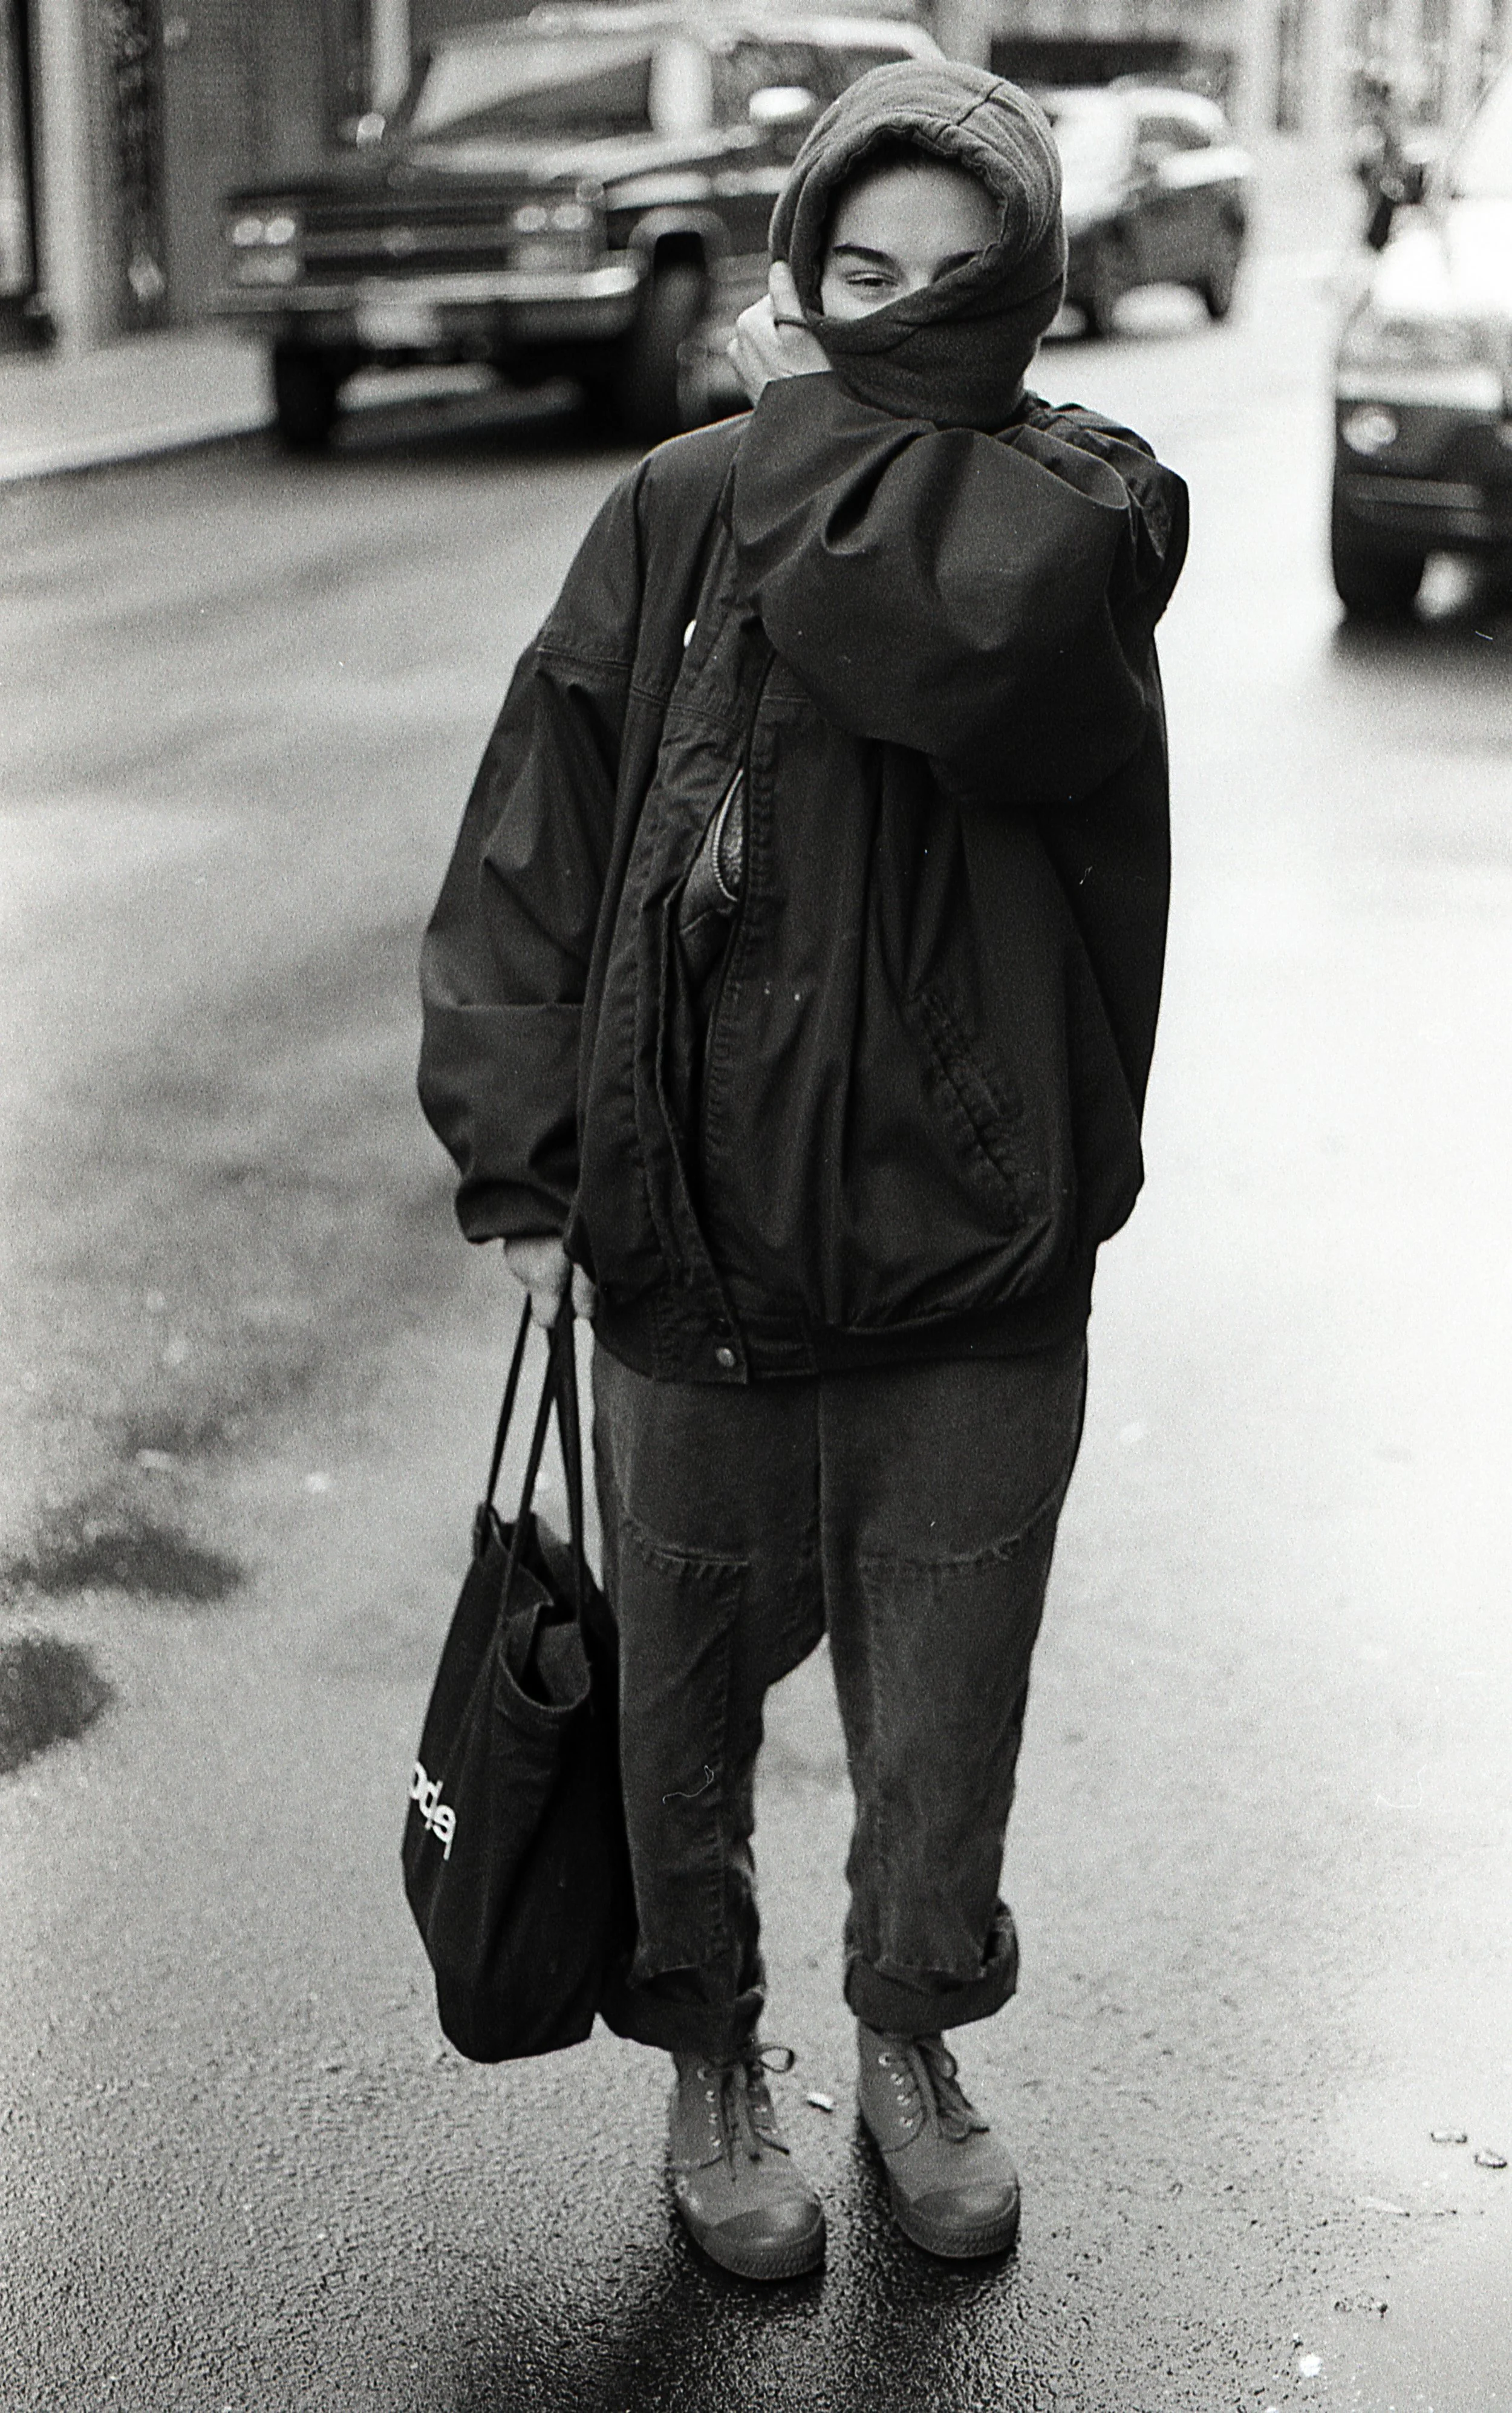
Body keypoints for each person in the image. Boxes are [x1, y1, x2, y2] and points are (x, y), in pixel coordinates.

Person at [419, 59, 1187, 2284]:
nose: (901, 317)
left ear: (1027, 300)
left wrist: (807, 426)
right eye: (859, 277)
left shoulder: (1084, 514)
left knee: (943, 1712)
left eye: (953, 283)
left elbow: (962, 644)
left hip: (977, 1252)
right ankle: (707, 2055)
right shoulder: (679, 507)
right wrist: (526, 1165)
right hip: (697, 1239)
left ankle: (913, 2034)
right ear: (794, 272)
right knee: (672, 1701)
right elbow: (539, 831)